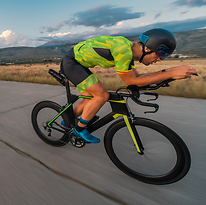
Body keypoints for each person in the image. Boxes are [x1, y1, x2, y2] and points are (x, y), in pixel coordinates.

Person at [60, 28, 198, 143]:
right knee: (101, 95)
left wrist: (170, 71)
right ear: (147, 47)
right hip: (72, 63)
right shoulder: (123, 51)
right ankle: (79, 129)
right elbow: (131, 82)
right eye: (162, 53)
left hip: (77, 63)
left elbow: (137, 78)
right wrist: (170, 74)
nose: (160, 59)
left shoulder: (128, 51)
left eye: (166, 55)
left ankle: (67, 121)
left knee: (90, 98)